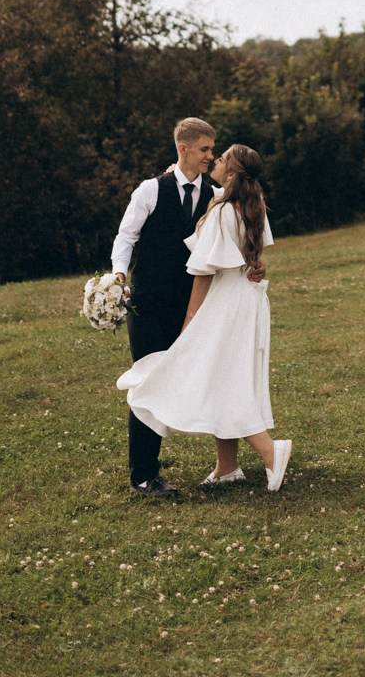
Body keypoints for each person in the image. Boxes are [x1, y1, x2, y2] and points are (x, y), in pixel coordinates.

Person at [117, 144, 292, 493]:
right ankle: (226, 466)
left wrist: (191, 319)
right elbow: (251, 255)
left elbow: (203, 270)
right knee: (226, 376)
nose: (214, 158)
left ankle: (271, 450)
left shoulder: (223, 209)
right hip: (247, 300)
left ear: (230, 173)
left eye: (221, 156)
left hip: (224, 303)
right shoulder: (249, 203)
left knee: (219, 381)